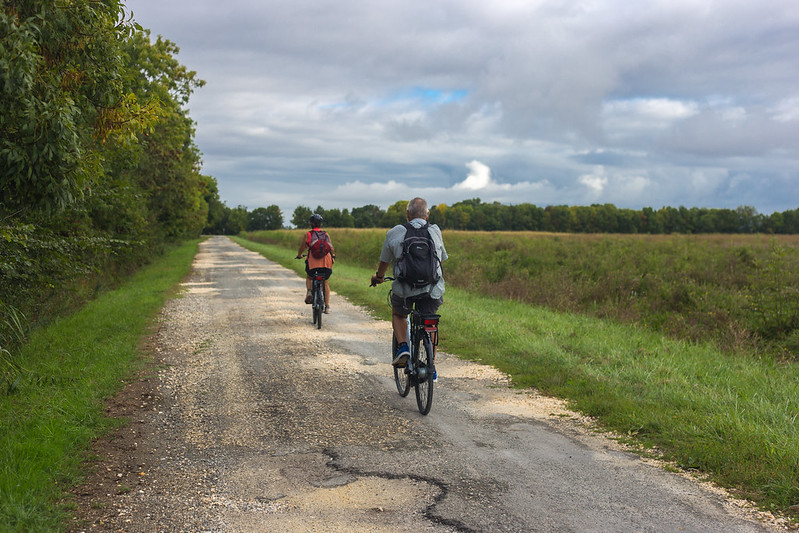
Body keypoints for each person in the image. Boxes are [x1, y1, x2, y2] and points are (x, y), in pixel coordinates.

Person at [370, 197, 447, 367]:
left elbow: (384, 261)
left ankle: (403, 346)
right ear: (427, 214)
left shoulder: (395, 232)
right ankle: (431, 365)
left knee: (399, 314)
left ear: (407, 214)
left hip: (405, 290)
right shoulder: (435, 231)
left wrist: (379, 277)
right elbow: (441, 260)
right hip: (431, 290)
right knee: (430, 321)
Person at [296, 214, 335, 313]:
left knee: (309, 277)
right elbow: (331, 248)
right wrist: (333, 257)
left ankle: (309, 292)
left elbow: (302, 247)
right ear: (320, 224)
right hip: (326, 263)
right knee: (325, 282)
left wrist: (299, 254)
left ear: (310, 223)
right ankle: (327, 306)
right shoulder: (326, 234)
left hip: (312, 263)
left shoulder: (308, 234)